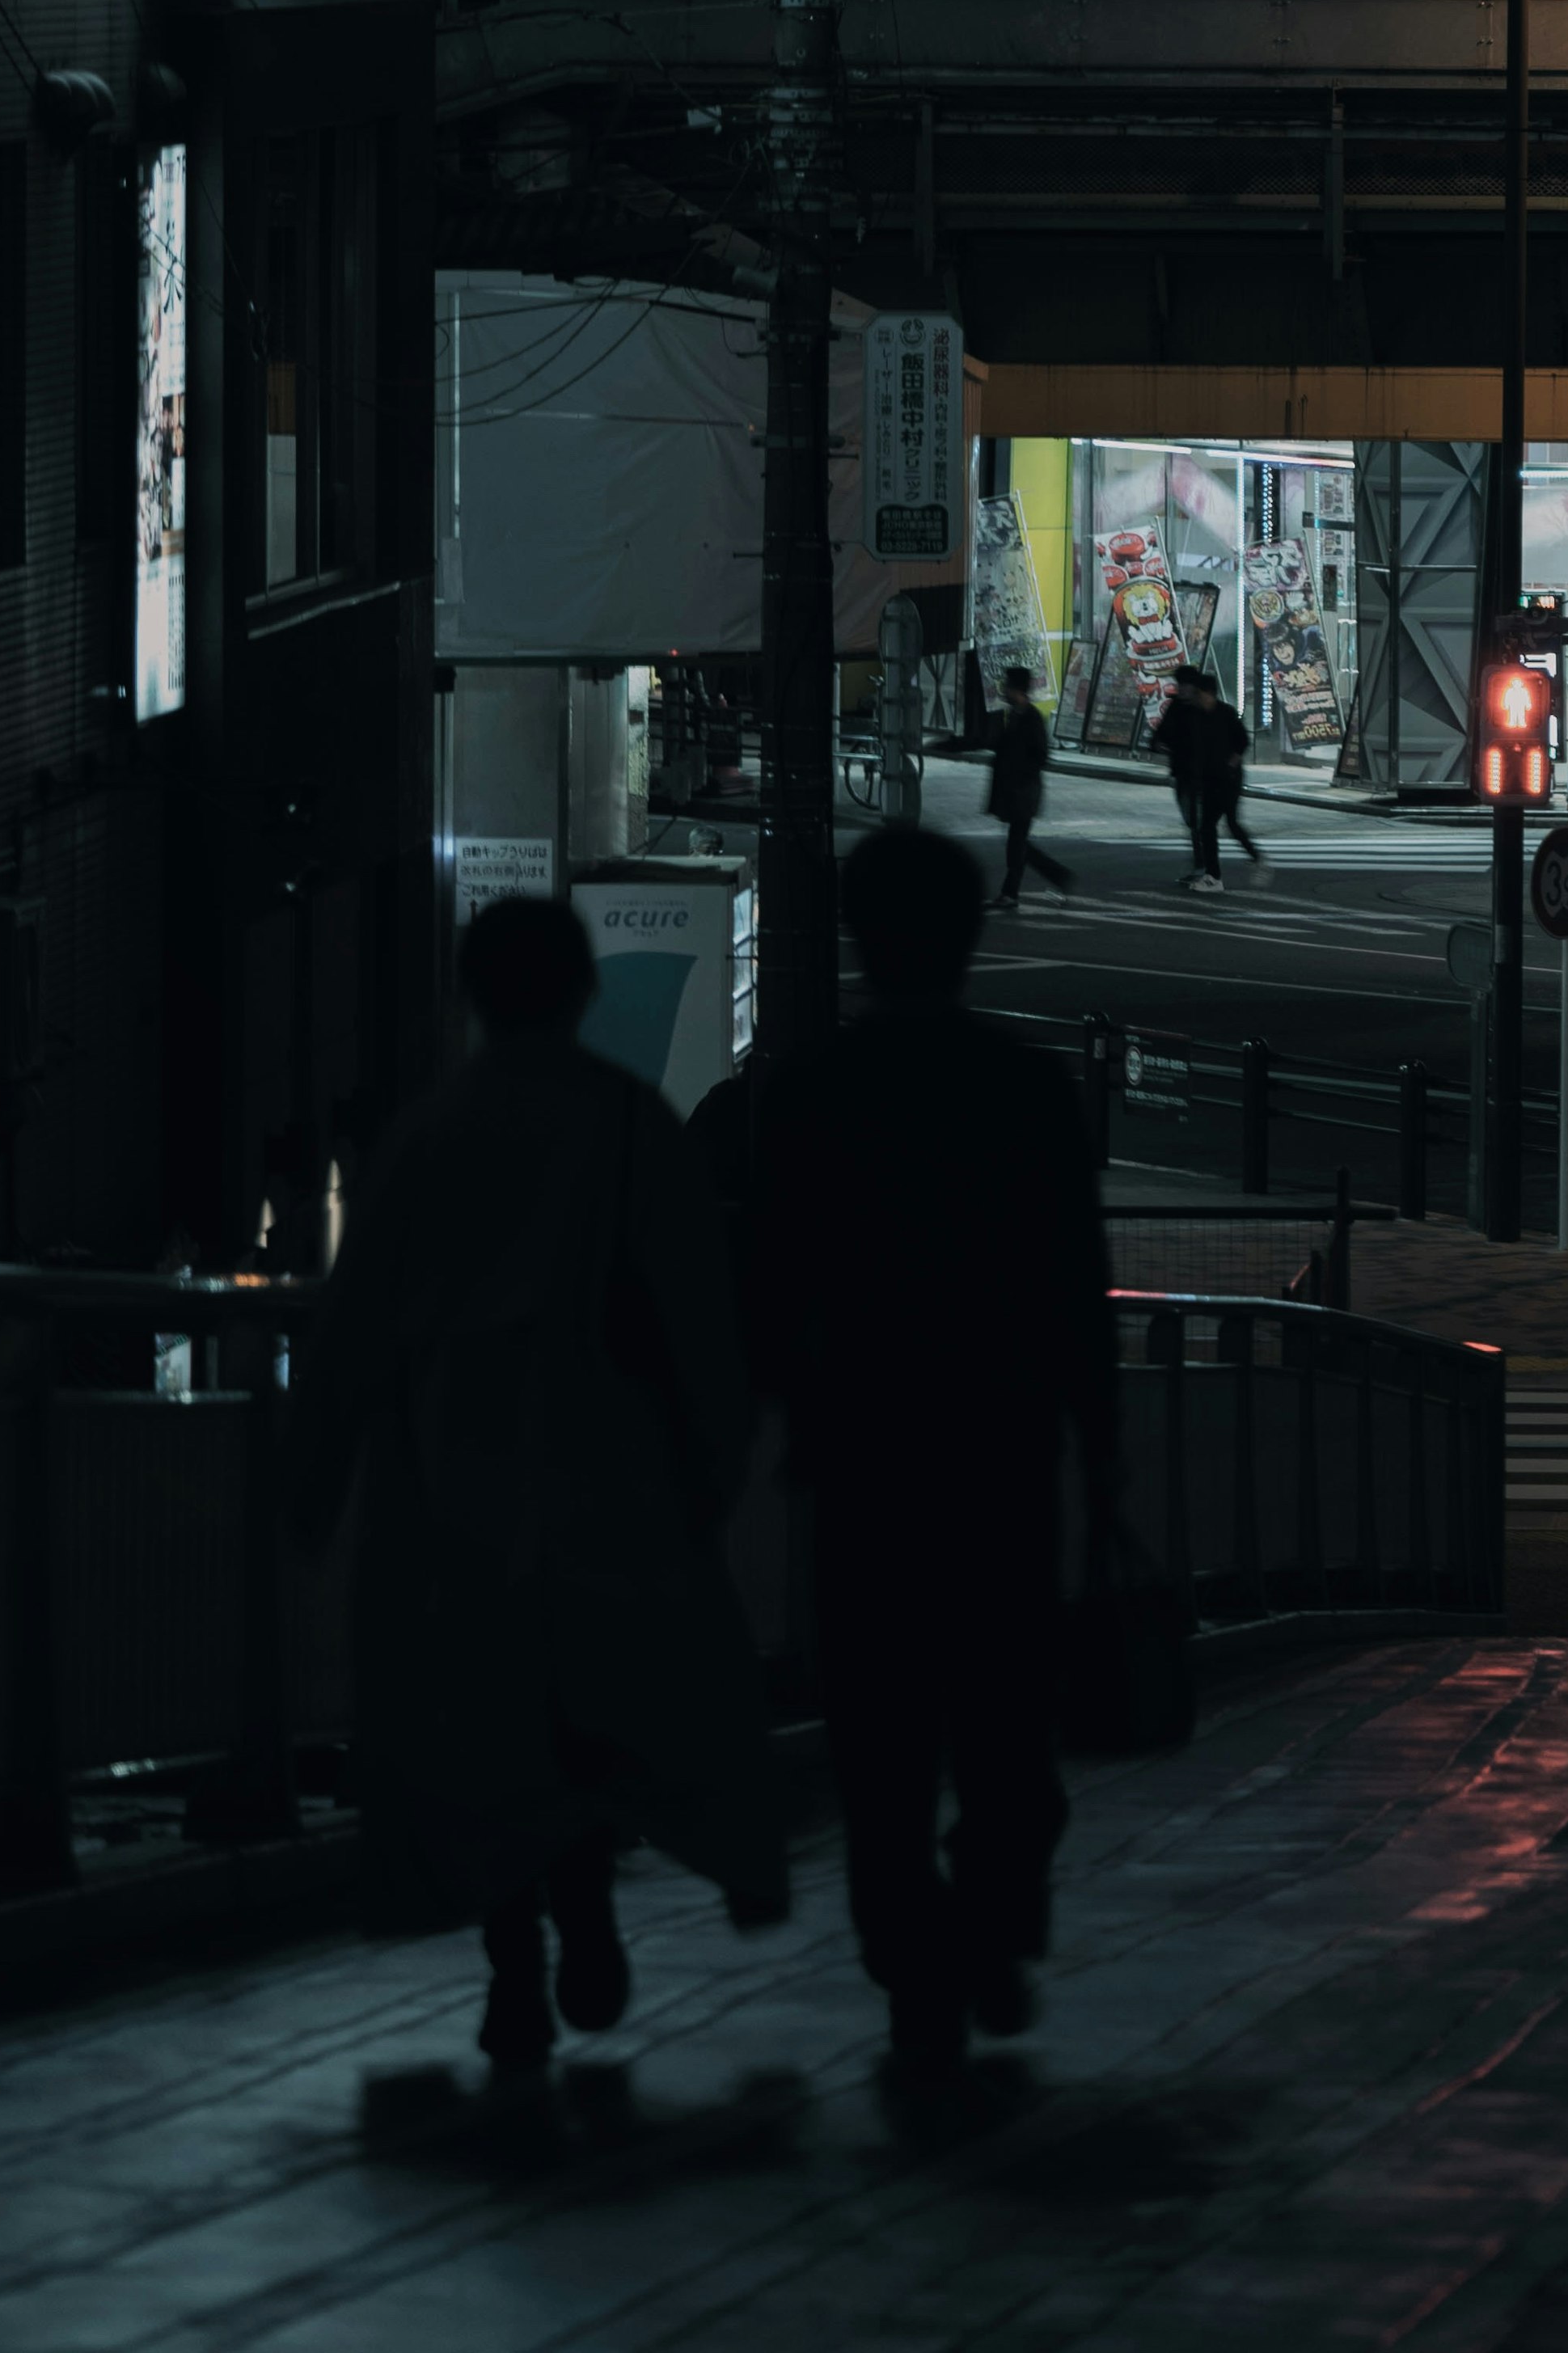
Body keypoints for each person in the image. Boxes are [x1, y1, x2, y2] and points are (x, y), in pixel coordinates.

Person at [288, 897, 785, 2074]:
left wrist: (313, 1489)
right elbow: (699, 1324)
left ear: (472, 993)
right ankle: (588, 1912)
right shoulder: (629, 1128)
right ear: (579, 992)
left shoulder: (427, 1138)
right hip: (609, 1488)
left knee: (488, 1734)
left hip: (452, 1492)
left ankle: (515, 1965)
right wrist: (712, 1468)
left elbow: (353, 1334)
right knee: (591, 1721)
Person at [750, 823, 1119, 2094]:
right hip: (1002, 1461)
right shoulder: (1023, 1093)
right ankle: (995, 1924)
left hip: (860, 1467)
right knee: (1009, 1730)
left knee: (882, 1741)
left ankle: (914, 1967)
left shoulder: (809, 1099)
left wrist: (733, 1447)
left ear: (859, 937)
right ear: (969, 939)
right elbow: (1080, 1298)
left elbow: (765, 1298)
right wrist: (1108, 1478)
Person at [1161, 664, 1262, 891]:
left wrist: (1231, 763)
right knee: (1207, 826)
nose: (1196, 698)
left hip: (1227, 779)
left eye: (1199, 694)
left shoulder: (1224, 713)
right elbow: (1179, 740)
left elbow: (1242, 741)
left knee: (1226, 824)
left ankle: (1251, 860)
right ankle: (1213, 875)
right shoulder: (1195, 715)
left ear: (1208, 694)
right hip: (1207, 779)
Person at [984, 662, 1073, 911]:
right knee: (1018, 844)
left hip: (1023, 793)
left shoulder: (1032, 718)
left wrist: (1019, 775)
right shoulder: (1012, 715)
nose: (1003, 690)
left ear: (1017, 689)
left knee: (1017, 845)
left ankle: (1013, 892)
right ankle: (1046, 880)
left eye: (1007, 685)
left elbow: (1041, 756)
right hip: (1015, 792)